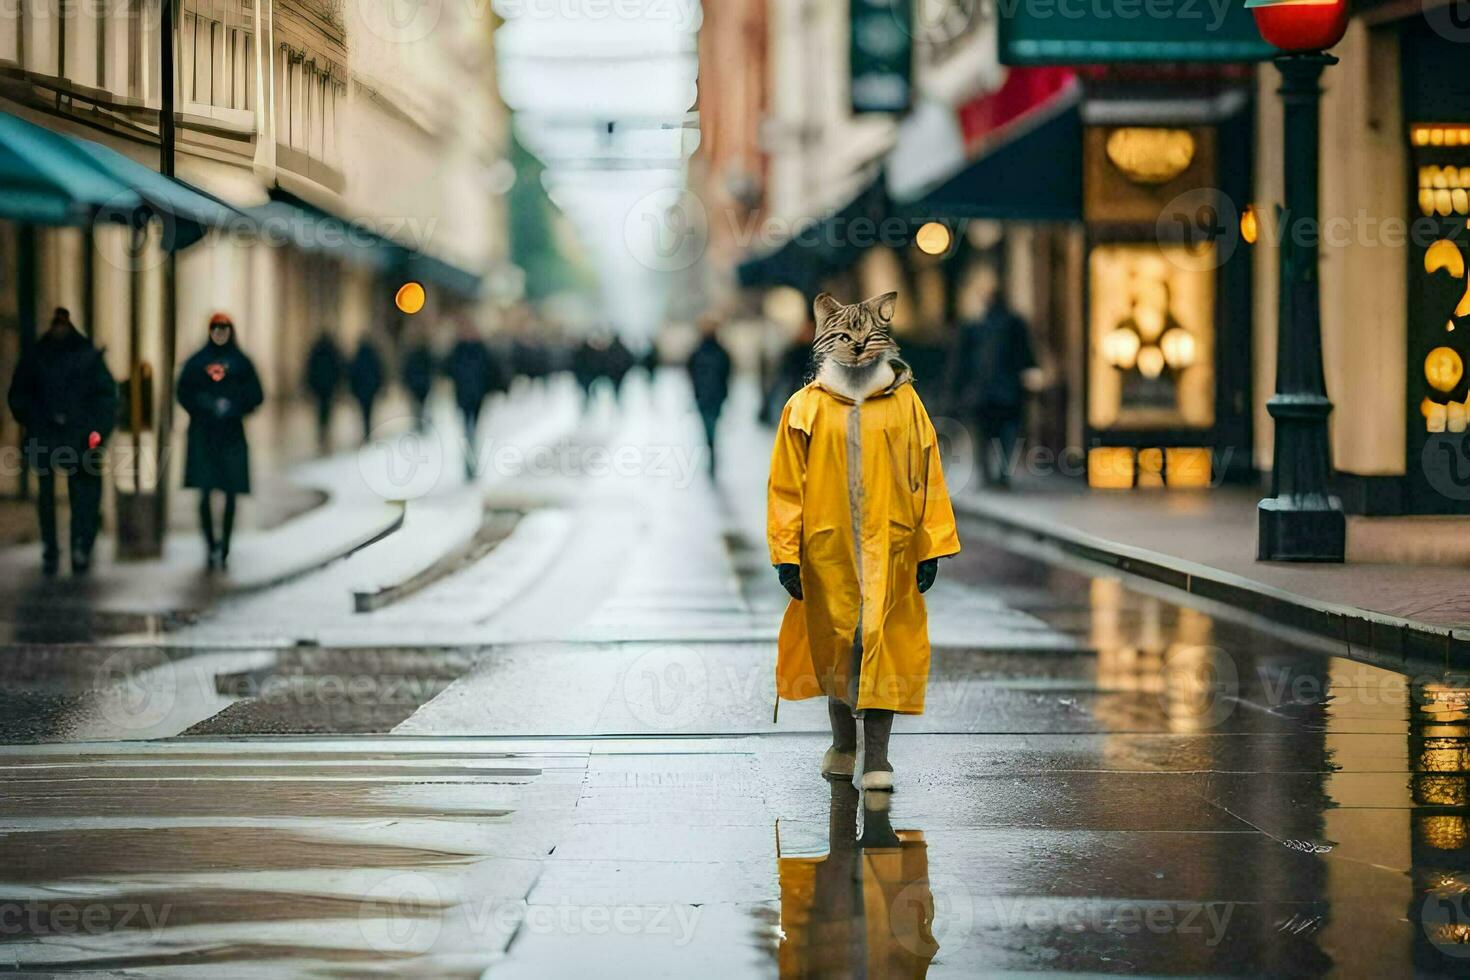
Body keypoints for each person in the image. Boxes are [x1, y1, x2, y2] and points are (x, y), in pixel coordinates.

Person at [767, 291, 960, 793]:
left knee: (883, 649)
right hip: (827, 554)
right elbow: (786, 486)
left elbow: (928, 473)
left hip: (890, 552)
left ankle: (878, 756)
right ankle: (842, 744)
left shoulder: (906, 404)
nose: (856, 348)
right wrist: (787, 554)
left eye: (867, 338)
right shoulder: (804, 408)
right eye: (844, 338)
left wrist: (932, 543)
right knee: (839, 650)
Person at [6, 307, 118, 575]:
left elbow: (105, 400)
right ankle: (56, 547)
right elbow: (20, 395)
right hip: (51, 433)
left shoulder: (66, 356)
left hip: (74, 436)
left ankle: (77, 545)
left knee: (80, 495)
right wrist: (35, 421)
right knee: (53, 496)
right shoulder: (43, 356)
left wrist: (94, 433)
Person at [176, 313, 263, 570]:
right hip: (204, 434)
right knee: (205, 492)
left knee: (229, 492)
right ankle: (210, 544)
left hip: (230, 434)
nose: (220, 333)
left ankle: (224, 544)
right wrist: (204, 405)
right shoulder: (197, 362)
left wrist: (234, 406)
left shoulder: (241, 363)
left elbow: (256, 395)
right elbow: (183, 392)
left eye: (224, 329)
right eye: (216, 328)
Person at [949, 290, 1037, 488]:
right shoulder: (1015, 325)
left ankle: (988, 474)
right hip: (1009, 393)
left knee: (984, 436)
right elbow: (1027, 356)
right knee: (1007, 435)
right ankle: (1002, 474)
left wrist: (957, 391)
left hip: (982, 393)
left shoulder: (975, 327)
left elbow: (960, 363)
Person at [444, 322, 504, 480]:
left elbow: (491, 371)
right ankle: (469, 464)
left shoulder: (481, 350)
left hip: (477, 397)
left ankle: (472, 462)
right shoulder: (458, 350)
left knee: (473, 430)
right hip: (464, 396)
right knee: (467, 430)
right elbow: (448, 368)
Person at [686, 315, 732, 475]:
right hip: (713, 397)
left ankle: (711, 450)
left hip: (708, 397)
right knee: (711, 427)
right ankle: (711, 450)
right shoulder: (720, 352)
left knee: (709, 427)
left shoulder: (699, 353)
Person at [304, 332, 342, 452]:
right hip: (327, 386)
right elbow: (338, 369)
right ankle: (324, 429)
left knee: (321, 409)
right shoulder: (332, 352)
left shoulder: (317, 352)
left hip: (320, 386)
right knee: (326, 408)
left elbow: (310, 369)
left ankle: (322, 430)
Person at [348, 337, 385, 441]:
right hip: (370, 389)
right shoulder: (373, 357)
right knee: (369, 411)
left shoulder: (357, 358)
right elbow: (379, 373)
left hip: (361, 391)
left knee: (364, 411)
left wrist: (353, 389)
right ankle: (368, 431)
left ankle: (366, 431)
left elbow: (352, 374)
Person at [400, 336, 436, 432]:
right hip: (422, 383)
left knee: (418, 405)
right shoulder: (424, 354)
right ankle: (421, 422)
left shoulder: (413, 355)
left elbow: (406, 370)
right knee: (422, 404)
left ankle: (419, 422)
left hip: (417, 383)